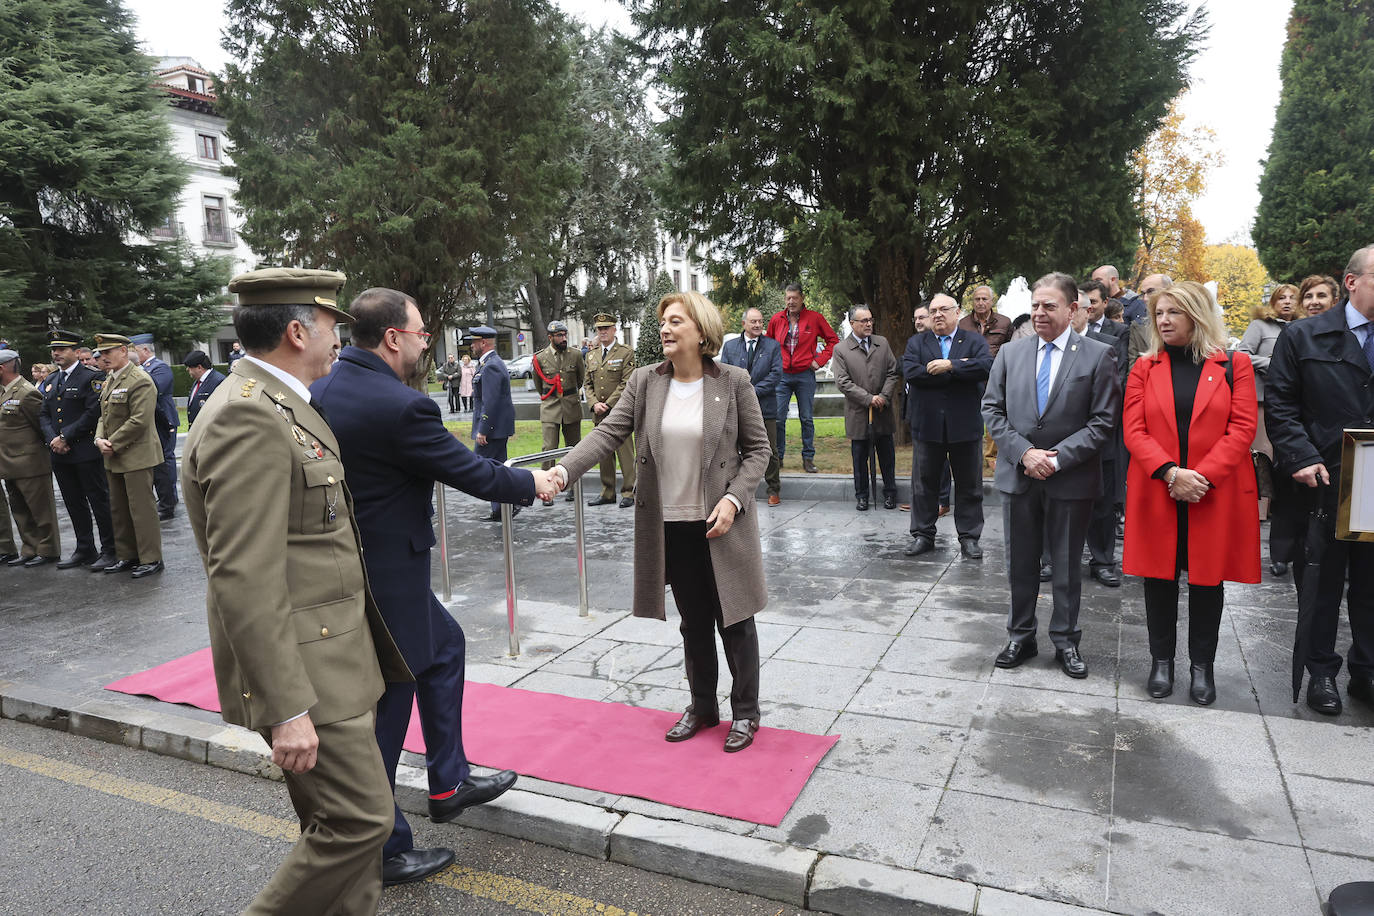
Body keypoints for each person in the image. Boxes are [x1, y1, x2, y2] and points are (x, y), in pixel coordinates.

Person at [182, 267, 411, 914]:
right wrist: (286, 707)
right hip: (307, 672)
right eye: (332, 325)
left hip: (335, 658)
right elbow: (243, 573)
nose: (339, 337)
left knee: (346, 840)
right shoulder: (249, 417)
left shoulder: (280, 403)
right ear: (295, 331)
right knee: (361, 823)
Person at [312, 289, 556, 886]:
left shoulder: (322, 390)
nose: (427, 344)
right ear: (393, 337)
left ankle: (449, 778)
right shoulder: (400, 407)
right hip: (389, 578)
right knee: (389, 712)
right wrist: (534, 482)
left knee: (445, 647)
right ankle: (381, 845)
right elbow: (470, 471)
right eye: (422, 334)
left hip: (353, 570)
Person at [553, 291, 771, 751]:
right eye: (663, 322)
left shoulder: (733, 381)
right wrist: (564, 470)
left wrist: (734, 499)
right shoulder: (646, 381)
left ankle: (746, 713)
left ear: (701, 330)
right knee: (693, 621)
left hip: (721, 520)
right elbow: (610, 431)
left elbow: (758, 451)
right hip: (672, 523)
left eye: (675, 321)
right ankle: (703, 706)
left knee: (735, 620)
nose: (665, 329)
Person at [1123, 281, 1260, 705]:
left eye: (1173, 313)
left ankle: (1202, 666)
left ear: (1196, 316)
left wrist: (1199, 477)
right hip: (1158, 489)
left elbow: (1242, 428)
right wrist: (1169, 473)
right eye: (1158, 313)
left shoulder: (1234, 365)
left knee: (1207, 580)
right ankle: (1161, 662)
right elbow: (1133, 430)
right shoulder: (1144, 368)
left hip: (1210, 493)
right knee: (1158, 579)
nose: (1162, 321)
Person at [982, 272, 1119, 679]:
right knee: (1020, 562)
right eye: (1035, 305)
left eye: (1049, 306)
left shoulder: (1097, 355)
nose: (1039, 313)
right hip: (1020, 475)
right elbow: (992, 410)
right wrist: (1025, 453)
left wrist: (1055, 459)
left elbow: (1103, 421)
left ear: (1073, 309)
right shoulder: (1011, 354)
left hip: (1070, 479)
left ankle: (1066, 640)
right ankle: (1021, 636)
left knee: (1065, 564)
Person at [1266, 244, 1374, 716]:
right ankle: (1322, 672)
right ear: (1352, 282)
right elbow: (1282, 405)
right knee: (1323, 579)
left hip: (1373, 475)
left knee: (1371, 581)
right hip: (1326, 476)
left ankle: (1367, 671)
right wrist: (1302, 456)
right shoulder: (1305, 337)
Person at [903, 294, 992, 557]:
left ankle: (969, 537)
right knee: (924, 484)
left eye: (944, 309)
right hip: (927, 424)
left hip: (965, 424)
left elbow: (986, 366)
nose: (938, 314)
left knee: (969, 484)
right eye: (933, 310)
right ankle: (923, 534)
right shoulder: (917, 342)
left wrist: (950, 365)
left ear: (957, 312)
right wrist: (960, 372)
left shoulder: (974, 340)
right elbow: (911, 372)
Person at [40, 329, 117, 570]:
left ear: (76, 351)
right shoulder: (52, 381)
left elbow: (93, 413)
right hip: (60, 454)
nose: (56, 353)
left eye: (61, 349)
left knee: (98, 500)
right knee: (73, 502)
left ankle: (110, 549)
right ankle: (85, 548)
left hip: (84, 450)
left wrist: (66, 437)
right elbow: (44, 414)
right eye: (54, 350)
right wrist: (53, 439)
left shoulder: (90, 377)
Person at [92, 334, 164, 578]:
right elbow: (104, 415)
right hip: (114, 454)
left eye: (107, 353)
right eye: (101, 354)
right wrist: (99, 438)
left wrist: (112, 442)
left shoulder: (140, 379)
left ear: (123, 351)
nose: (103, 358)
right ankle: (127, 555)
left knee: (141, 509)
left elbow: (140, 420)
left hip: (137, 453)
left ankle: (151, 558)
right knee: (120, 509)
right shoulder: (109, 380)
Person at [1238, 284, 1297, 551]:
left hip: (1295, 402)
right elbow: (1242, 356)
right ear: (1273, 302)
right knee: (1262, 455)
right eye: (1281, 298)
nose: (1286, 302)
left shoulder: (1304, 329)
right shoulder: (1260, 326)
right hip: (1262, 399)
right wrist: (1272, 364)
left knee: (1284, 456)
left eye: (1292, 298)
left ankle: (1279, 509)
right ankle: (1258, 510)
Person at [1081, 281, 1129, 587]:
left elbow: (1117, 382)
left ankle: (1102, 559)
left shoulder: (1105, 345)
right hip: (1057, 437)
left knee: (1102, 501)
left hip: (1101, 433)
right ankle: (1050, 558)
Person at [832, 305, 900, 511]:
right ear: (852, 324)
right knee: (860, 458)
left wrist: (883, 397)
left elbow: (892, 371)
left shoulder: (882, 343)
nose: (869, 324)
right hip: (859, 413)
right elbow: (843, 382)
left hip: (882, 411)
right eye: (863, 321)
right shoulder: (841, 349)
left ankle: (890, 493)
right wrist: (868, 398)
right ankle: (862, 496)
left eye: (870, 320)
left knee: (887, 457)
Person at [766, 283, 839, 474]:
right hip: (782, 376)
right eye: (788, 298)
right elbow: (768, 345)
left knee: (806, 418)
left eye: (794, 298)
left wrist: (820, 361)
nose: (791, 301)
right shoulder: (776, 319)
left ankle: (808, 458)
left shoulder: (815, 318)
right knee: (779, 419)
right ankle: (778, 457)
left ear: (802, 298)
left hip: (805, 374)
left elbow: (833, 340)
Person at [0, 350, 61, 566]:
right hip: (9, 463)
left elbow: (43, 426)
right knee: (21, 510)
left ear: (2, 369)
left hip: (30, 463)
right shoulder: (4, 392)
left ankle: (48, 550)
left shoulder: (26, 392)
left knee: (41, 511)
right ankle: (30, 549)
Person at [720, 308, 783, 505]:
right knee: (735, 449)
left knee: (770, 449)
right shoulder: (730, 347)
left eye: (760, 322)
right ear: (743, 324)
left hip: (765, 406)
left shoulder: (772, 346)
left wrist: (752, 392)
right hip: (736, 408)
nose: (757, 325)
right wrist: (740, 395)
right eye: (753, 322)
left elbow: (776, 374)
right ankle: (739, 490)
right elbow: (724, 374)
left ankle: (773, 489)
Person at [584, 314, 637, 507]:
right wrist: (594, 403)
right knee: (604, 454)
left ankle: (629, 492)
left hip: (619, 411)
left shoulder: (625, 352)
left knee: (625, 453)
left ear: (615, 329)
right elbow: (587, 383)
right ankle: (607, 492)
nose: (603, 331)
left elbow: (627, 382)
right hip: (599, 413)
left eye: (606, 328)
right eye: (599, 329)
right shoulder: (591, 355)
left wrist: (608, 403)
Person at [957, 285, 1010, 475]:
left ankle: (992, 457)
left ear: (992, 301)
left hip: (995, 377)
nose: (980, 302)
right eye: (977, 299)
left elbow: (1009, 350)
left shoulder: (1004, 322)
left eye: (984, 299)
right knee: (970, 417)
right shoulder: (962, 324)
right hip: (969, 377)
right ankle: (970, 454)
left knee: (995, 415)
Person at [468, 326, 518, 521]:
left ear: (483, 343)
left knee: (480, 467)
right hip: (496, 429)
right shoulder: (488, 363)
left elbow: (491, 401)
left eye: (474, 342)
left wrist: (483, 430)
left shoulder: (491, 366)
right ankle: (503, 507)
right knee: (497, 468)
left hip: (493, 430)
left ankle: (510, 503)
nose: (471, 346)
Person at [533, 320, 586, 500]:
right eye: (559, 336)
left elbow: (581, 380)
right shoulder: (540, 358)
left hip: (571, 406)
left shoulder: (576, 355)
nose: (563, 338)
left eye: (565, 335)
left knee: (573, 449)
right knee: (549, 449)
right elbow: (539, 386)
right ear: (550, 337)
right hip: (550, 407)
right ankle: (545, 489)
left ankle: (573, 487)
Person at [130, 334, 179, 520]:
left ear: (145, 350)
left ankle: (170, 499)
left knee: (165, 461)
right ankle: (165, 499)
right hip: (151, 420)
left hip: (164, 421)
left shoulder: (160, 367)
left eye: (134, 350)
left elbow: (154, 389)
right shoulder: (143, 369)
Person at [1127, 274, 1174, 365]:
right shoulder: (1137, 326)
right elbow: (1133, 365)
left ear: (1170, 290)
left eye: (1151, 292)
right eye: (1143, 293)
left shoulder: (1186, 321)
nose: (1145, 298)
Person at [183, 350, 225, 427]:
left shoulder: (219, 381)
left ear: (199, 367)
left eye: (190, 367)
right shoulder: (198, 382)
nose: (187, 370)